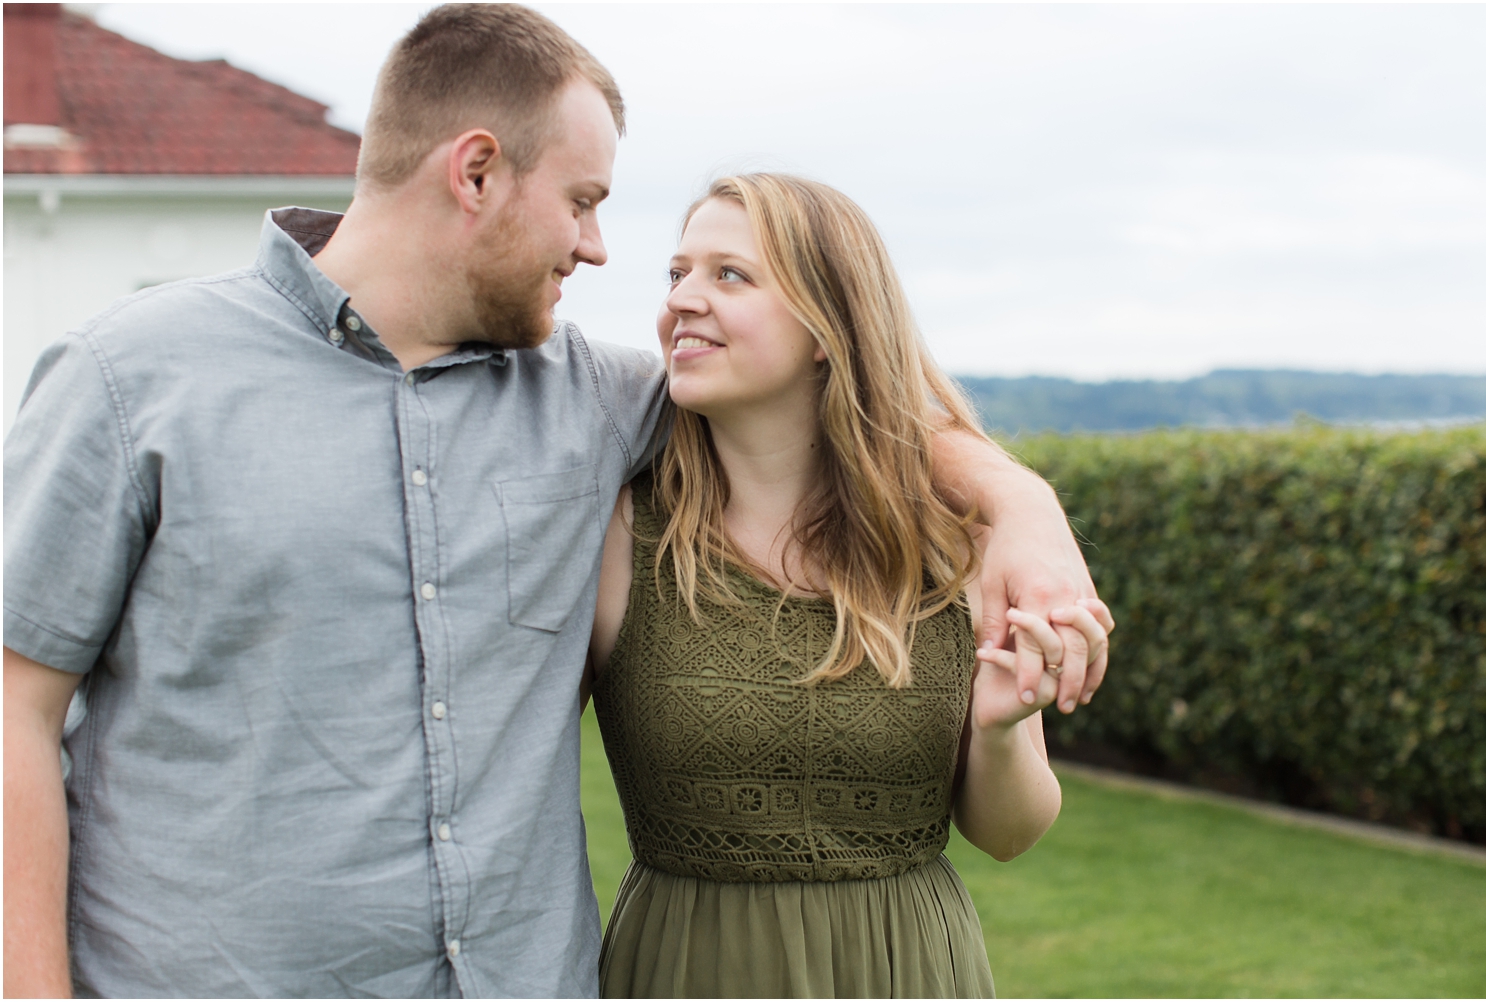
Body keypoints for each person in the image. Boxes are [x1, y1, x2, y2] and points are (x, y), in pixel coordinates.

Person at [4, 6, 1106, 999]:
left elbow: (850, 414)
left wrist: (1020, 503)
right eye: (582, 201)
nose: (599, 247)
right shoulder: (129, 379)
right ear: (476, 172)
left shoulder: (597, 402)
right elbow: (14, 711)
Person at [585, 174, 1112, 998]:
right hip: (689, 970)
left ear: (828, 327)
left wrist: (1004, 730)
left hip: (909, 972)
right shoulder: (622, 535)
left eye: (730, 274)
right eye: (677, 272)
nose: (684, 297)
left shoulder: (955, 551)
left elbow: (1008, 836)